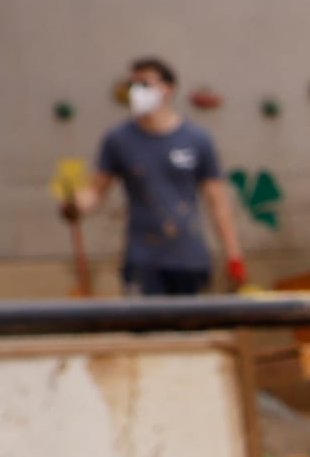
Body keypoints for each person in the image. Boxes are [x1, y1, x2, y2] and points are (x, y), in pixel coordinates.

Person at [65, 57, 241, 296]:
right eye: (132, 85)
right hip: (142, 258)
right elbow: (96, 189)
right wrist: (76, 205)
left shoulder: (197, 139)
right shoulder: (119, 139)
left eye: (145, 84)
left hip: (188, 256)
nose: (137, 91)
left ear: (167, 88)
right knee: (146, 329)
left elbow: (218, 200)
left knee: (190, 330)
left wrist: (233, 255)